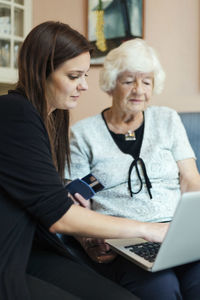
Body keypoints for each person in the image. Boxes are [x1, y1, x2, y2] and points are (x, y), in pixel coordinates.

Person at [0, 22, 170, 300]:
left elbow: (46, 200)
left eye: (85, 75)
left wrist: (87, 235)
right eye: (74, 76)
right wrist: (148, 230)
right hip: (11, 254)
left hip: (33, 248)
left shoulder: (50, 119)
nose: (84, 85)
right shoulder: (14, 113)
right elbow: (58, 217)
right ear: (41, 71)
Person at [65, 38, 200, 300]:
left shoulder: (167, 120)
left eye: (146, 82)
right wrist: (88, 241)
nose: (138, 90)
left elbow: (190, 179)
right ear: (111, 84)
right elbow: (75, 203)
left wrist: (193, 223)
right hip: (122, 240)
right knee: (162, 290)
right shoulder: (83, 134)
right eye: (128, 81)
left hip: (176, 235)